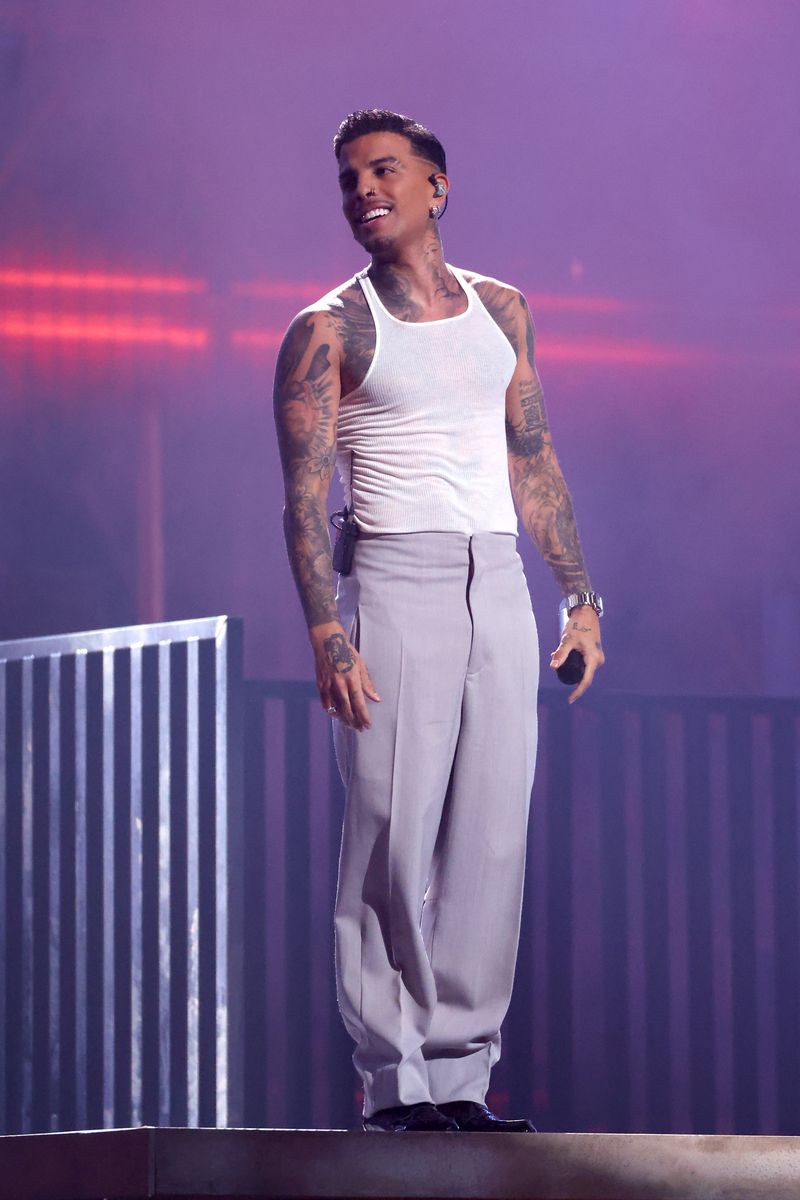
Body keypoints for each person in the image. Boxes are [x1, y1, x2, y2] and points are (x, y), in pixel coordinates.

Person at [273, 109, 605, 1133]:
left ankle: (458, 1077)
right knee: (388, 836)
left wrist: (578, 597)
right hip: (395, 582)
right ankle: (394, 1083)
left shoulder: (501, 310)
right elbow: (300, 495)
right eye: (347, 180)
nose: (362, 190)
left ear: (436, 187)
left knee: (489, 839)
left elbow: (531, 454)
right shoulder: (328, 328)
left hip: (495, 581)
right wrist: (330, 634)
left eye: (382, 171)